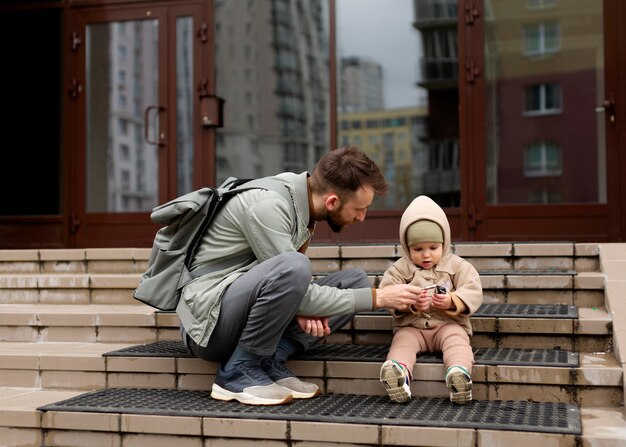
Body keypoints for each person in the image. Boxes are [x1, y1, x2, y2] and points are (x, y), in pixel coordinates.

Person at [177, 146, 423, 406]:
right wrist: (380, 297)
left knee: (355, 282)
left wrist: (303, 305)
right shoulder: (269, 206)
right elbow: (291, 278)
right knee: (298, 267)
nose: (362, 218)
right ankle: (238, 370)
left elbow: (291, 287)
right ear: (332, 202)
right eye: (359, 209)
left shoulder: (305, 208)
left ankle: (269, 360)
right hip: (208, 325)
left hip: (240, 306)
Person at [378, 195, 483, 405]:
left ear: (444, 243)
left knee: (457, 341)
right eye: (418, 249)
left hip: (447, 324)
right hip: (413, 327)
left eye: (433, 248)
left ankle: (458, 373)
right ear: (407, 248)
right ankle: (399, 373)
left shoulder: (457, 265)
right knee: (401, 343)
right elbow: (387, 292)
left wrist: (453, 301)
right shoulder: (399, 269)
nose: (426, 255)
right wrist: (411, 305)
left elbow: (473, 288)